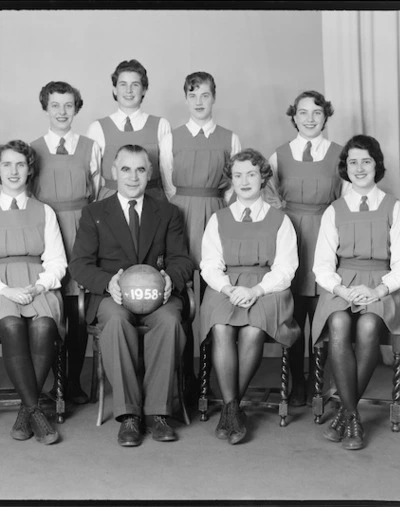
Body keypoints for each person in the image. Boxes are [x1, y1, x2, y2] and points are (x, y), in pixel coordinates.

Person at [69, 144, 194, 447]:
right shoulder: (94, 213)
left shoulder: (167, 212)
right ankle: (129, 416)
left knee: (169, 321)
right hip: (114, 297)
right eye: (126, 168)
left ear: (150, 173)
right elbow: (80, 264)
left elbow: (183, 260)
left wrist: (169, 277)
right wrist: (107, 284)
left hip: (157, 296)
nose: (133, 176)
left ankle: (158, 413)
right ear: (114, 172)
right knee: (114, 321)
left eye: (140, 169)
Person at [311, 134, 400, 450]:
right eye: (353, 162)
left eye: (366, 161)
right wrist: (342, 289)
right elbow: (322, 265)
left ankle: (345, 413)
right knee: (339, 323)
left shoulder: (393, 208)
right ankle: (353, 416)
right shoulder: (334, 210)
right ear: (346, 167)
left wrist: (379, 290)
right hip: (342, 285)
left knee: (369, 325)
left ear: (376, 165)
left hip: (382, 286)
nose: (359, 168)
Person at [0, 140, 67, 445]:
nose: (14, 171)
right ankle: (36, 411)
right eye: (7, 164)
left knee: (44, 325)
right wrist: (6, 290)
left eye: (20, 164)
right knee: (11, 326)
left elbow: (57, 262)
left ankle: (26, 410)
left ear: (29, 169)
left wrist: (39, 286)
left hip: (36, 284)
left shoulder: (44, 211)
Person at [199, 149, 300, 444]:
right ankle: (233, 409)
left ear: (263, 177)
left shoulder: (280, 220)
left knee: (254, 330)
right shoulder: (218, 219)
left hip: (267, 288)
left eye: (251, 174)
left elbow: (285, 268)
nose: (245, 181)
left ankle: (230, 407)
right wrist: (229, 289)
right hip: (227, 285)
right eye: (238, 175)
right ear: (231, 179)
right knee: (220, 327)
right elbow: (210, 264)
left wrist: (256, 290)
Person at [264, 90, 349, 406]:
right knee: (294, 313)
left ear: (326, 116)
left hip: (326, 235)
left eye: (317, 112)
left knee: (322, 312)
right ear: (294, 117)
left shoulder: (340, 154)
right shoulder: (279, 155)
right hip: (291, 236)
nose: (310, 119)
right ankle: (294, 381)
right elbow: (265, 196)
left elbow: (348, 201)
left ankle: (319, 379)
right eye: (303, 113)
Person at [29, 81, 102, 405]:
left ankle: (72, 381)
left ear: (76, 109)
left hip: (80, 231)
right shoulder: (32, 150)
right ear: (46, 108)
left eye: (68, 106)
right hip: (45, 231)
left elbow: (97, 190)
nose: (61, 112)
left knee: (77, 310)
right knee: (48, 307)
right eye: (55, 105)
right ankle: (47, 382)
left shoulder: (90, 146)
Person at [159, 71, 241, 265]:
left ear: (214, 98)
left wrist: (222, 208)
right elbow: (167, 181)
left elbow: (234, 183)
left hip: (216, 207)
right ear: (186, 100)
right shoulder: (171, 138)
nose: (199, 102)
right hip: (181, 210)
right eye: (192, 96)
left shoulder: (230, 138)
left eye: (205, 95)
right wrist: (183, 204)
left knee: (214, 261)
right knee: (183, 260)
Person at [86, 59, 171, 202]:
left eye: (135, 85)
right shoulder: (97, 128)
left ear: (144, 89)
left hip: (152, 202)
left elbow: (167, 173)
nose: (129, 90)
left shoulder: (161, 125)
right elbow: (93, 176)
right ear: (114, 89)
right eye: (123, 84)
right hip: (110, 203)